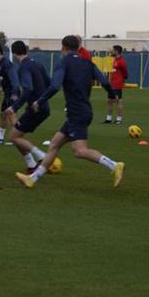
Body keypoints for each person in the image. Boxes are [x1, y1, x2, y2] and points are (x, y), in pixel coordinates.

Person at [15, 35, 125, 188]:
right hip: (83, 111)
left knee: (80, 151)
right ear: (78, 48)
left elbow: (54, 86)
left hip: (77, 113)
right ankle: (32, 178)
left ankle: (114, 165)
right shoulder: (88, 63)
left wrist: (39, 101)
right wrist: (112, 95)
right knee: (54, 145)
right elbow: (105, 81)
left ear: (63, 48)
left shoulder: (63, 63)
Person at [3, 41, 51, 172]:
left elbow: (28, 89)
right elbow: (49, 84)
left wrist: (14, 107)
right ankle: (31, 165)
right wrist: (41, 100)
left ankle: (43, 157)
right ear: (26, 50)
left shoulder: (23, 67)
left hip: (35, 110)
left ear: (13, 53)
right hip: (43, 108)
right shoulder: (37, 64)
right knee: (17, 134)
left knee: (13, 137)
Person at [0, 43, 20, 144]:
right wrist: (2, 86)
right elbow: (4, 77)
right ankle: (0, 138)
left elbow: (14, 79)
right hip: (7, 92)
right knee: (3, 115)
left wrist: (14, 93)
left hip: (12, 93)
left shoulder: (6, 63)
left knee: (11, 115)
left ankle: (18, 138)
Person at [104, 45, 129, 124]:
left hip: (117, 84)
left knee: (119, 101)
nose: (112, 51)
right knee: (109, 100)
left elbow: (125, 72)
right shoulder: (115, 59)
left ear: (117, 51)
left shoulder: (121, 61)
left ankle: (119, 119)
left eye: (113, 50)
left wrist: (122, 79)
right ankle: (109, 118)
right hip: (112, 83)